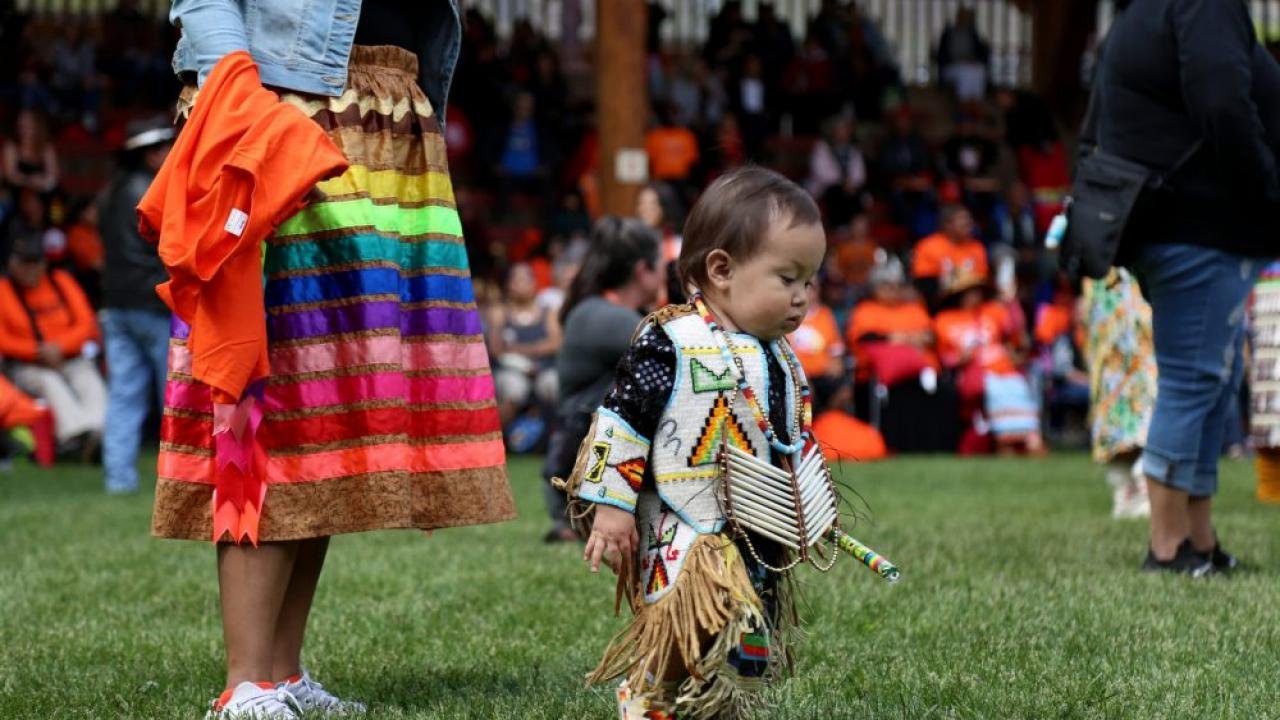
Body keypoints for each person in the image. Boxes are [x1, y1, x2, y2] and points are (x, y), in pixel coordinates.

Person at [151, 2, 515, 717]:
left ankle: (281, 673)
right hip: (282, 107)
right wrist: (235, 90)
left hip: (388, 121)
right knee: (271, 390)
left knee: (329, 406)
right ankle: (245, 683)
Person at [558, 167, 827, 719]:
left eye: (809, 281)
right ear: (721, 270)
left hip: (754, 526)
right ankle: (650, 697)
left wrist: (804, 501)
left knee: (748, 638)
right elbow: (621, 420)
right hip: (681, 520)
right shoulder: (672, 341)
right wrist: (611, 506)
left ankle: (713, 705)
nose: (802, 298)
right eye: (787, 278)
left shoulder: (779, 356)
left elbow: (787, 438)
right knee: (700, 618)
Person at [1102, 0, 1280, 574]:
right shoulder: (1204, 4)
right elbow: (1223, 104)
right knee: (1193, 380)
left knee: (1210, 381)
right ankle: (1167, 545)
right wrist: (1269, 189)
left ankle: (1198, 539)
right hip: (1198, 225)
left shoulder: (1149, 11)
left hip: (1183, 225)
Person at [541, 217, 663, 543]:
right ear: (643, 270)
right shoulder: (603, 316)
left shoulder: (601, 310)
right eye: (662, 264)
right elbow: (681, 355)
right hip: (577, 479)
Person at [97, 117, 175, 495]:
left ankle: (118, 479)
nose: (172, 153)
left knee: (123, 394)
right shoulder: (155, 192)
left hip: (116, 304)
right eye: (165, 148)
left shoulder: (109, 192)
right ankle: (179, 477)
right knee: (173, 396)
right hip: (154, 305)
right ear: (150, 154)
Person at [0, 231, 105, 457]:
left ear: (44, 263)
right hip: (28, 364)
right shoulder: (3, 290)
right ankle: (75, 438)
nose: (30, 269)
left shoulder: (61, 281)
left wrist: (59, 348)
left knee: (88, 379)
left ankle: (98, 435)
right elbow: (3, 339)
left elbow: (86, 323)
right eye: (24, 263)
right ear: (11, 264)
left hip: (68, 356)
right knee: (49, 382)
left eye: (35, 262)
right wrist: (37, 351)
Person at [933, 271, 1043, 455]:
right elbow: (944, 357)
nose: (974, 296)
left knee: (1018, 386)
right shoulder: (943, 320)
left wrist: (1012, 304)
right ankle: (1004, 441)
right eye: (969, 292)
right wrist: (960, 358)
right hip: (974, 372)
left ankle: (1028, 438)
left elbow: (1016, 334)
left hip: (1005, 367)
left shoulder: (994, 311)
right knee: (994, 388)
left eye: (977, 291)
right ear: (958, 295)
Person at [1083, 269, 1155, 519]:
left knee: (1126, 379)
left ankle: (1133, 484)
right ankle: (1135, 485)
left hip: (1112, 275)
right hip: (1122, 279)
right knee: (1134, 380)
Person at [487, 262, 562, 428]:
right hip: (511, 371)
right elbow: (496, 348)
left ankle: (561, 436)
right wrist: (537, 349)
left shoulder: (549, 312)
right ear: (508, 285)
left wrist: (515, 348)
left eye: (527, 279)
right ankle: (495, 435)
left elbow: (556, 344)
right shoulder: (499, 312)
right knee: (514, 388)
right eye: (517, 280)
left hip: (544, 370)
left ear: (534, 283)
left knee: (554, 384)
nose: (522, 284)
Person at [911, 204, 989, 311]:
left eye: (969, 220)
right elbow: (925, 284)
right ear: (947, 225)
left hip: (971, 303)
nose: (969, 224)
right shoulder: (928, 246)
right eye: (962, 220)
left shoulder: (977, 247)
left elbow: (981, 281)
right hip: (939, 304)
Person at [805, 114, 868, 229]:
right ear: (833, 131)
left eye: (846, 129)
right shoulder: (821, 147)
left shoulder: (854, 150)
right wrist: (842, 182)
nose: (844, 133)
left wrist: (851, 183)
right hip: (824, 188)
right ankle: (839, 227)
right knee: (837, 193)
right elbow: (821, 173)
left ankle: (856, 227)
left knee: (857, 195)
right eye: (841, 129)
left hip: (849, 187)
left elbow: (860, 175)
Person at [1252, 262, 1280, 503]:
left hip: (1268, 281)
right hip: (1269, 283)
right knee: (1269, 405)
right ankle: (1270, 487)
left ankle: (1271, 488)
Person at [3, 108, 59, 196]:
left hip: (43, 189)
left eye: (28, 124)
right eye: (21, 124)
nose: (24, 128)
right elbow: (10, 175)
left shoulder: (46, 147)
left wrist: (43, 182)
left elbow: (53, 175)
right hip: (18, 189)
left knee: (54, 195)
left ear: (37, 126)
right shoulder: (11, 146)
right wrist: (30, 181)